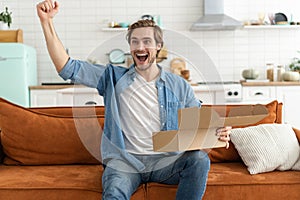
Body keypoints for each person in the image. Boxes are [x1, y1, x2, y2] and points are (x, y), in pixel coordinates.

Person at [36, 1, 231, 199]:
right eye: (134, 42)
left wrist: (217, 131)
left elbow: (199, 121)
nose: (140, 47)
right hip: (125, 164)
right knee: (114, 193)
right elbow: (66, 67)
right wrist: (47, 22)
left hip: (165, 162)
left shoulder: (178, 85)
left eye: (146, 41)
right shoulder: (113, 77)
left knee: (199, 160)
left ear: (158, 46)